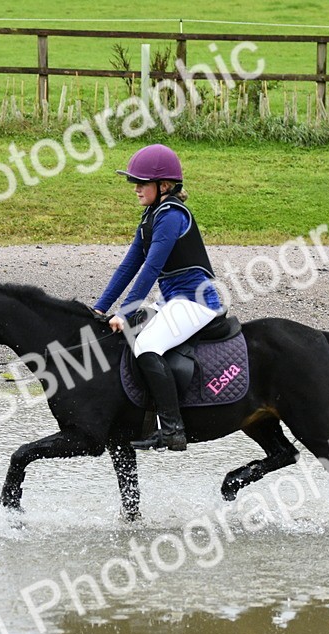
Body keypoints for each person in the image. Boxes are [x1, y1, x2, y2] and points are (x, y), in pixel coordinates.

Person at [92, 144, 223, 452]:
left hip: (197, 302)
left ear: (163, 186)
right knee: (128, 338)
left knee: (147, 344)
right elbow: (130, 265)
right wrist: (99, 307)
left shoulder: (172, 216)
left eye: (141, 183)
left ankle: (173, 429)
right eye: (134, 183)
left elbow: (151, 268)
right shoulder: (151, 216)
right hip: (173, 300)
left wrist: (124, 312)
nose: (135, 188)